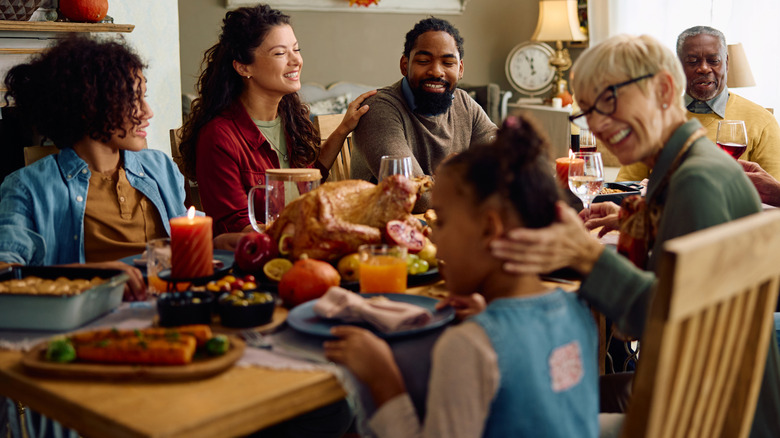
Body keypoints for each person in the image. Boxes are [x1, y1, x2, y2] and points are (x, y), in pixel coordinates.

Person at [490, 34, 780, 437]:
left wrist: (587, 257)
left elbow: (671, 327)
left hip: (705, 415)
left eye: (607, 101)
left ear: (663, 89)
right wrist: (638, 221)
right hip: (721, 398)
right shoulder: (694, 162)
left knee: (519, 405)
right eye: (587, 111)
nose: (597, 124)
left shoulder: (695, 182)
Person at [325, 116, 598, 437]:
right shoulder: (579, 312)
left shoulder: (468, 347)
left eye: (440, 220)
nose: (434, 239)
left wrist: (382, 377)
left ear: (489, 229)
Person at [0, 35, 189, 301]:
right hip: (88, 324)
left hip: (172, 307)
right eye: (132, 99)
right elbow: (5, 273)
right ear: (89, 105)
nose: (147, 112)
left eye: (143, 97)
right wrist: (89, 276)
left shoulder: (161, 168)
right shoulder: (28, 187)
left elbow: (187, 246)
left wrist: (218, 245)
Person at [178, 4, 375, 235]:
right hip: (254, 261)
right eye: (280, 53)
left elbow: (307, 182)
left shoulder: (290, 120)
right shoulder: (219, 137)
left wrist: (343, 129)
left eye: (296, 49)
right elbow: (237, 228)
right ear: (243, 67)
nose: (296, 61)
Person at [349, 17, 497, 212]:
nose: (436, 71)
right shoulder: (379, 109)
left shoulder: (464, 103)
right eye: (424, 61)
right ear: (404, 65)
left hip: (446, 228)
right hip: (383, 233)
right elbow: (415, 200)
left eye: (447, 63)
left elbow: (507, 165)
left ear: (460, 69)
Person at [616, 26, 780, 182]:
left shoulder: (762, 121)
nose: (703, 68)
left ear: (727, 63)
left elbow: (774, 195)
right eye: (693, 61)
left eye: (714, 60)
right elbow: (625, 187)